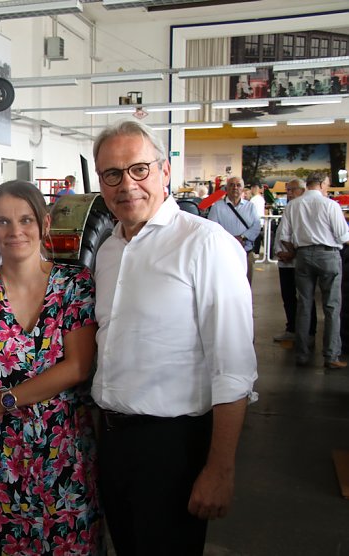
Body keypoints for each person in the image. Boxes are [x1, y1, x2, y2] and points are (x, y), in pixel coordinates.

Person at [92, 120, 257, 555]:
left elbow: (234, 368)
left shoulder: (206, 244)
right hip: (112, 441)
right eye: (112, 174)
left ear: (165, 171)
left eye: (139, 169)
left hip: (172, 448)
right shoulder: (108, 250)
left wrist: (220, 468)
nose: (126, 185)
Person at [0, 180, 103, 555]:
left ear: (44, 224)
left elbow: (79, 366)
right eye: (2, 222)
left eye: (26, 220)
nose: (15, 231)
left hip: (66, 464)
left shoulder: (74, 286)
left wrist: (3, 401)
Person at [278, 172, 349, 369]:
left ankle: (301, 354)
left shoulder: (293, 205)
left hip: (302, 256)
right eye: (327, 184)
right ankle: (331, 355)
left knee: (304, 305)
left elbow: (284, 235)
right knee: (332, 307)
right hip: (328, 255)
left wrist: (293, 252)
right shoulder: (330, 205)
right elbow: (343, 235)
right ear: (321, 183)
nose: (328, 187)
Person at [273, 179, 316, 343]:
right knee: (288, 296)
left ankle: (310, 333)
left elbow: (306, 234)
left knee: (305, 298)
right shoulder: (290, 208)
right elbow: (282, 233)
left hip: (299, 261)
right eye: (287, 190)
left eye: (292, 190)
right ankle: (291, 328)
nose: (289, 193)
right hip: (285, 261)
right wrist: (279, 252)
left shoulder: (306, 208)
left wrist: (291, 253)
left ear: (303, 190)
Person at [207, 176, 261, 283]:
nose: (235, 187)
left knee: (246, 284)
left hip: (246, 252)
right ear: (226, 188)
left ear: (243, 188)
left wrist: (242, 237)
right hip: (225, 254)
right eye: (231, 185)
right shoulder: (217, 207)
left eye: (238, 185)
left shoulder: (250, 207)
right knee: (226, 284)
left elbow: (256, 226)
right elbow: (212, 229)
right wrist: (231, 240)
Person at [248, 183, 266, 254]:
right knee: (258, 237)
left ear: (253, 189)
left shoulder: (253, 199)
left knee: (255, 238)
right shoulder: (261, 199)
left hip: (254, 221)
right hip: (261, 221)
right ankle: (257, 252)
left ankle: (255, 252)